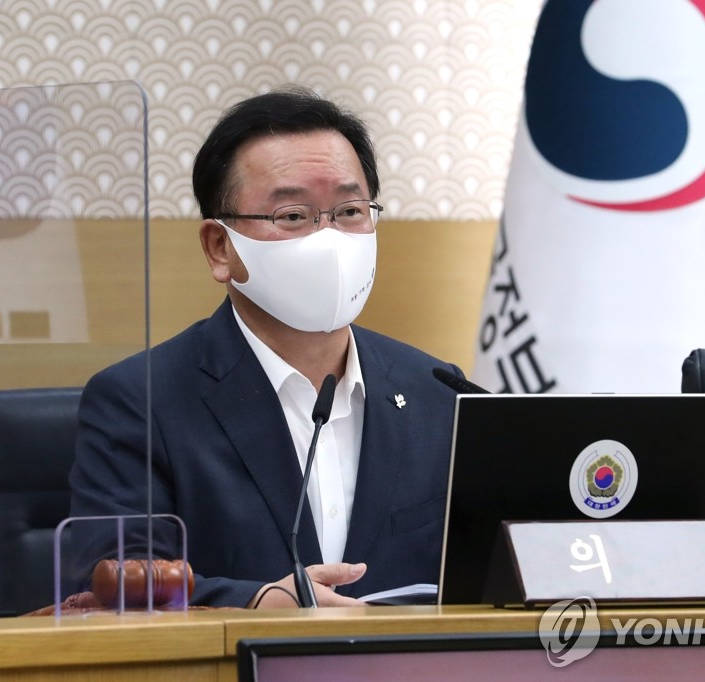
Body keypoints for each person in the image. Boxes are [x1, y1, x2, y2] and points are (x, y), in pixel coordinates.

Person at [69, 86, 464, 608]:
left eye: (350, 210)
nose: (329, 239)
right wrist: (254, 603)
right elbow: (115, 587)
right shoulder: (139, 402)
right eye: (293, 216)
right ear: (220, 247)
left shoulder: (438, 393)